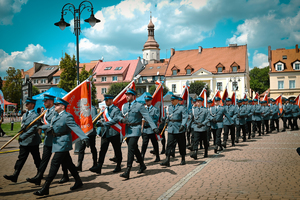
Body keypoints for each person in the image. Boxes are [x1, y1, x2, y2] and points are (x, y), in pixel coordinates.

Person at [33, 97, 90, 196]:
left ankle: (46, 187)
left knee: (54, 163)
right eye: (55, 104)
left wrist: (84, 137)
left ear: (63, 107)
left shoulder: (67, 116)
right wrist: (39, 127)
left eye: (57, 105)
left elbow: (75, 127)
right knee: (69, 163)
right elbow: (51, 126)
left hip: (63, 142)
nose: (55, 106)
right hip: (57, 142)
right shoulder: (56, 116)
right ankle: (78, 181)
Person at [119, 89, 159, 179]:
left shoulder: (139, 106)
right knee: (135, 149)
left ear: (133, 96)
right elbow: (120, 115)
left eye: (129, 95)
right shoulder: (124, 106)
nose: (127, 96)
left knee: (130, 149)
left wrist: (154, 127)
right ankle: (142, 165)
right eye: (126, 95)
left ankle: (127, 170)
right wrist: (121, 119)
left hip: (136, 129)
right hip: (128, 130)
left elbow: (147, 117)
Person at [3, 98, 41, 183]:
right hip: (24, 141)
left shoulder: (35, 115)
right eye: (26, 103)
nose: (26, 105)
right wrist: (21, 134)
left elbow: (33, 129)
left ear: (32, 105)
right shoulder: (25, 114)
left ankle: (39, 176)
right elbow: (23, 126)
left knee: (37, 160)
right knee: (21, 159)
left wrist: (23, 136)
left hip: (32, 141)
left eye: (28, 104)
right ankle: (15, 175)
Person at [27, 94, 57, 185]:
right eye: (44, 101)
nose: (43, 103)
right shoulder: (46, 112)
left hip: (55, 139)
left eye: (45, 101)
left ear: (51, 102)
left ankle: (75, 178)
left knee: (65, 161)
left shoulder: (55, 111)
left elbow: (52, 125)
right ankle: (38, 177)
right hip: (48, 139)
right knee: (44, 159)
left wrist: (41, 126)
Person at [90, 95, 123, 174]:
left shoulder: (116, 109)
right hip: (105, 133)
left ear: (111, 100)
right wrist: (97, 121)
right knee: (102, 150)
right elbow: (99, 117)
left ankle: (118, 165)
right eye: (105, 100)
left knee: (117, 150)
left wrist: (104, 123)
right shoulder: (104, 110)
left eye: (107, 100)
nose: (105, 102)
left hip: (114, 133)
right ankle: (99, 167)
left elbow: (115, 120)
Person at [161, 95, 188, 167]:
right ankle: (167, 160)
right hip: (171, 128)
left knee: (181, 144)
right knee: (169, 144)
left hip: (179, 128)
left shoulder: (182, 108)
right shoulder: (169, 107)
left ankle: (183, 158)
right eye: (171, 100)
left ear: (176, 100)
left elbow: (185, 117)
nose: (171, 101)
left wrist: (183, 125)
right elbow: (168, 116)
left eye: (173, 100)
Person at [76, 105, 98, 171]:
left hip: (91, 132)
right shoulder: (81, 108)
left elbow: (94, 119)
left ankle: (95, 164)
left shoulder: (92, 108)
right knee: (81, 149)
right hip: (83, 132)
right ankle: (79, 165)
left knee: (93, 148)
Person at [141, 95, 160, 162]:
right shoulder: (143, 109)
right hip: (145, 129)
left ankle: (157, 156)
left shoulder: (155, 110)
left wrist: (149, 121)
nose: (147, 102)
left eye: (148, 101)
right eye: (146, 101)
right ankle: (142, 157)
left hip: (152, 129)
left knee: (154, 143)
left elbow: (156, 119)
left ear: (151, 101)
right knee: (144, 144)